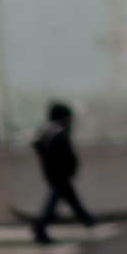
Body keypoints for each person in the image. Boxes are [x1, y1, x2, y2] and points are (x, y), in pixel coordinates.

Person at [29, 102, 93, 244]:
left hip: (54, 173)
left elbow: (38, 146)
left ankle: (87, 218)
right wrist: (71, 169)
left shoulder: (48, 131)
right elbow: (69, 155)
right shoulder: (60, 134)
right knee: (54, 201)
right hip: (60, 174)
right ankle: (40, 227)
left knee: (71, 196)